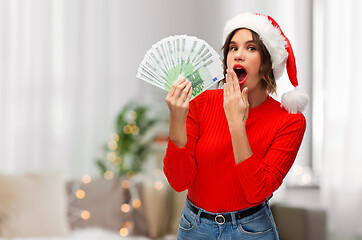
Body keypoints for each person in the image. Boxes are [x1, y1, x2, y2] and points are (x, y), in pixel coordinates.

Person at [163, 12, 308, 240]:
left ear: (268, 61)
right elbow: (178, 181)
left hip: (251, 231)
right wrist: (176, 120)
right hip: (194, 228)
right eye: (233, 48)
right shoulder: (200, 104)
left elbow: (257, 191)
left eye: (251, 48)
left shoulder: (290, 121)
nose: (238, 55)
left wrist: (236, 125)